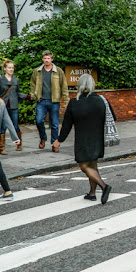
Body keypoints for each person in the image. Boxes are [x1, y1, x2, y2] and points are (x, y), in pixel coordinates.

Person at [52, 74, 114, 205]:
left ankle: (104, 186)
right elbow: (112, 117)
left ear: (79, 85)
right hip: (97, 138)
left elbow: (67, 125)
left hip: (82, 139)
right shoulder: (101, 100)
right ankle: (92, 194)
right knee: (93, 165)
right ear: (93, 85)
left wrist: (59, 140)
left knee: (84, 166)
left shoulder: (75, 102)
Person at [30, 50, 69, 152]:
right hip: (41, 101)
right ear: (42, 59)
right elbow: (32, 84)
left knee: (55, 124)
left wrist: (66, 100)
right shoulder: (37, 71)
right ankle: (43, 138)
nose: (47, 60)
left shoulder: (58, 71)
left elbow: (64, 86)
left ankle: (54, 144)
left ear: (52, 59)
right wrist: (33, 95)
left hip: (54, 101)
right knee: (39, 121)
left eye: (48, 58)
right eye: (45, 58)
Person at [0, 59, 30, 153]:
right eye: (9, 68)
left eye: (12, 68)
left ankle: (19, 144)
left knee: (15, 125)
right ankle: (2, 147)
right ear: (4, 68)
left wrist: (27, 96)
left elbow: (18, 93)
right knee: (2, 127)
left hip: (14, 106)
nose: (11, 69)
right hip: (3, 106)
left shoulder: (16, 80)